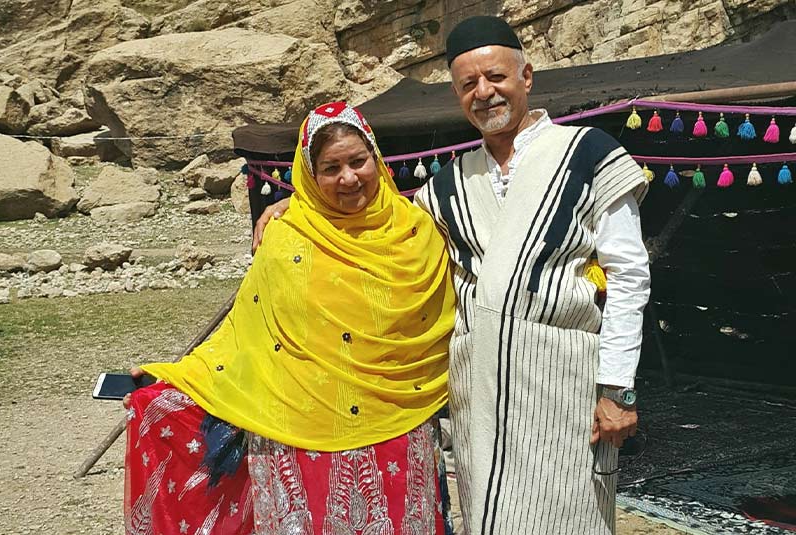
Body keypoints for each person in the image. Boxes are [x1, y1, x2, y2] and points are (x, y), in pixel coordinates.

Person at [254, 16, 651, 535]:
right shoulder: (447, 185)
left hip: (565, 382)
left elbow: (628, 275)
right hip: (475, 390)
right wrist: (296, 209)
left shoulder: (589, 153)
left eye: (496, 78)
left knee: (571, 515)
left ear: (526, 76)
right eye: (469, 84)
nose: (484, 93)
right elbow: (378, 223)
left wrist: (616, 388)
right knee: (489, 518)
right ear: (457, 94)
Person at [124, 101, 457, 534]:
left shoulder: (420, 232)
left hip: (397, 430)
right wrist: (177, 378)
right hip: (299, 436)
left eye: (358, 162)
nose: (349, 178)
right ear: (310, 177)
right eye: (331, 168)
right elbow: (247, 331)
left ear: (377, 159)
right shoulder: (286, 237)